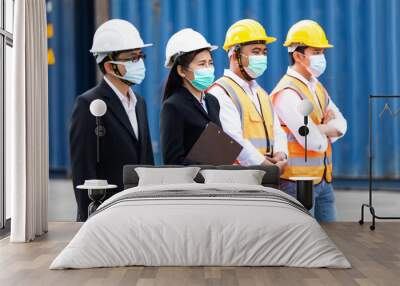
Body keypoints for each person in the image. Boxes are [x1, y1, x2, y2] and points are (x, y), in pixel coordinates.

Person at [70, 19, 154, 221]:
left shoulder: (139, 103)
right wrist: (88, 219)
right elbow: (83, 169)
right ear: (109, 66)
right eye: (132, 58)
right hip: (107, 214)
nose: (139, 63)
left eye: (140, 56)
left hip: (138, 211)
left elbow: (147, 160)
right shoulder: (88, 104)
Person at [270, 20, 347, 222]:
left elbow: (343, 125)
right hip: (297, 184)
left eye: (322, 52)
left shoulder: (316, 86)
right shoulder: (287, 92)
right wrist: (327, 128)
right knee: (302, 248)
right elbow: (312, 141)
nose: (322, 57)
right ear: (298, 55)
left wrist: (320, 128)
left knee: (331, 244)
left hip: (323, 181)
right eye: (316, 52)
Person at [207, 19, 287, 170]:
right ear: (234, 55)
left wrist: (281, 153)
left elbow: (277, 130)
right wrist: (266, 166)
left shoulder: (261, 94)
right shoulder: (220, 92)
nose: (262, 57)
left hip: (268, 175)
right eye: (255, 52)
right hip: (242, 179)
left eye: (264, 52)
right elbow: (234, 139)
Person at [160, 28, 221, 165]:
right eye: (201, 64)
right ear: (181, 71)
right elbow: (173, 161)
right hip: (191, 185)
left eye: (210, 63)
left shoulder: (213, 102)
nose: (208, 69)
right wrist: (207, 168)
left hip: (217, 183)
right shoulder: (173, 106)